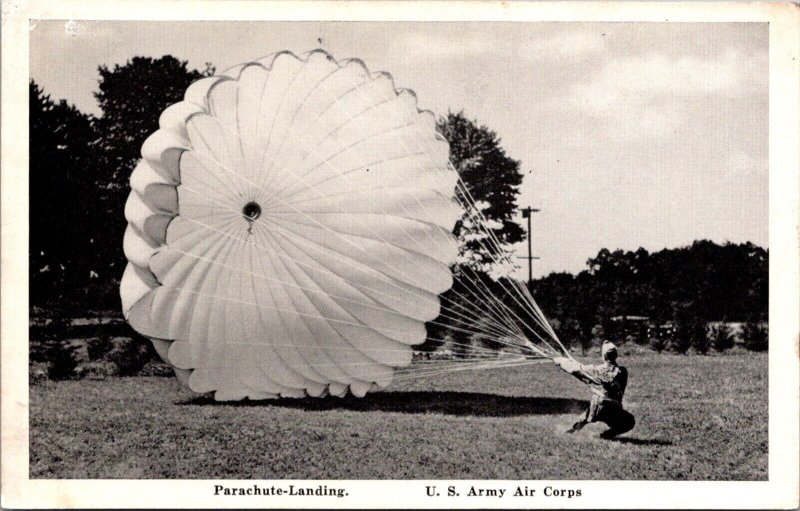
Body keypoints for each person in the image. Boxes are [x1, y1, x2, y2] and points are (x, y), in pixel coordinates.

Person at [553, 340, 635, 439]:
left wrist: (560, 361)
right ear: (616, 355)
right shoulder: (623, 372)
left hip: (598, 407)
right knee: (629, 422)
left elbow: (575, 369)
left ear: (604, 356)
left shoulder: (595, 370)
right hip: (614, 409)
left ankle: (568, 433)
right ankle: (606, 435)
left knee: (584, 419)